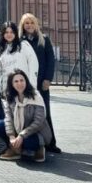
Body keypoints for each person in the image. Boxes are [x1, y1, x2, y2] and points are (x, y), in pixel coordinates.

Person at [19, 13, 60, 153]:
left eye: (31, 22)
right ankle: (31, 142)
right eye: (26, 23)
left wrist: (48, 79)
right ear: (22, 26)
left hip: (41, 82)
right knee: (26, 113)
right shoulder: (20, 41)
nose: (29, 25)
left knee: (44, 112)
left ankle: (50, 142)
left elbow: (50, 60)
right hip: (24, 84)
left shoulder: (44, 40)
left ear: (36, 24)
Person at [0, 69, 52, 163]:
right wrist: (11, 136)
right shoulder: (10, 97)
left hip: (36, 133)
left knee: (28, 142)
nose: (20, 83)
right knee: (0, 125)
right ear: (12, 84)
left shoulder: (35, 96)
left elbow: (38, 122)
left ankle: (39, 148)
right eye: (16, 81)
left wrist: (21, 135)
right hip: (19, 131)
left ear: (26, 81)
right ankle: (15, 149)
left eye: (22, 80)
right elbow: (8, 118)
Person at [0, 21, 39, 95]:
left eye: (11, 32)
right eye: (6, 32)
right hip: (7, 89)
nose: (9, 35)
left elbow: (33, 64)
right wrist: (1, 87)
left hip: (24, 87)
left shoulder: (24, 45)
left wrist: (32, 85)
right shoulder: (0, 50)